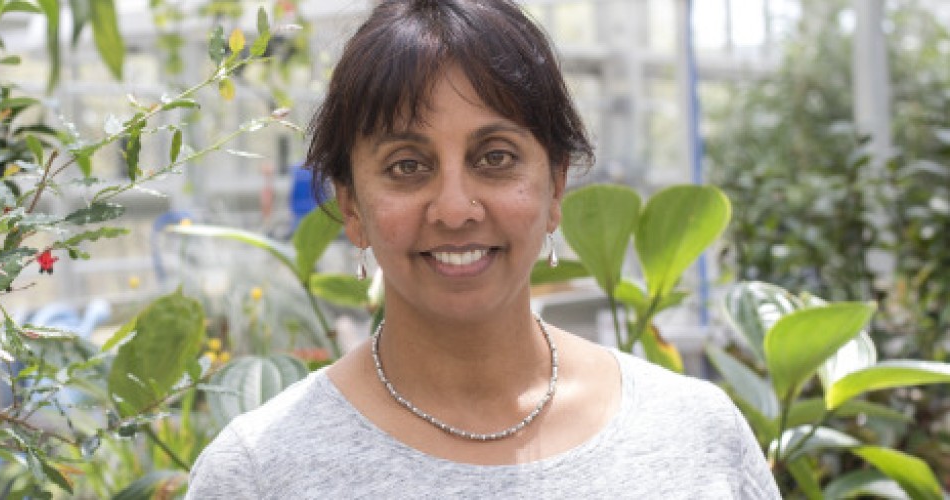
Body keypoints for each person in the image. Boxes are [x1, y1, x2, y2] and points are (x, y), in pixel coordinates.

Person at [186, 1, 780, 498]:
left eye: (495, 157)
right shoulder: (260, 472)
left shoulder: (695, 436)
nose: (455, 208)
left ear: (555, 186)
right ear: (351, 207)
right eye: (407, 165)